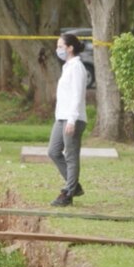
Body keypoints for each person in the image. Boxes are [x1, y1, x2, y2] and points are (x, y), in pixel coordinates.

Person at [48, 32, 88, 207]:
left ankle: (68, 193)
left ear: (70, 48)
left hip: (73, 118)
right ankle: (75, 186)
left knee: (71, 156)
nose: (58, 50)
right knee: (53, 151)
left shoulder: (77, 67)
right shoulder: (67, 67)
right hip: (61, 117)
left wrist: (72, 120)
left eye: (60, 46)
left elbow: (77, 95)